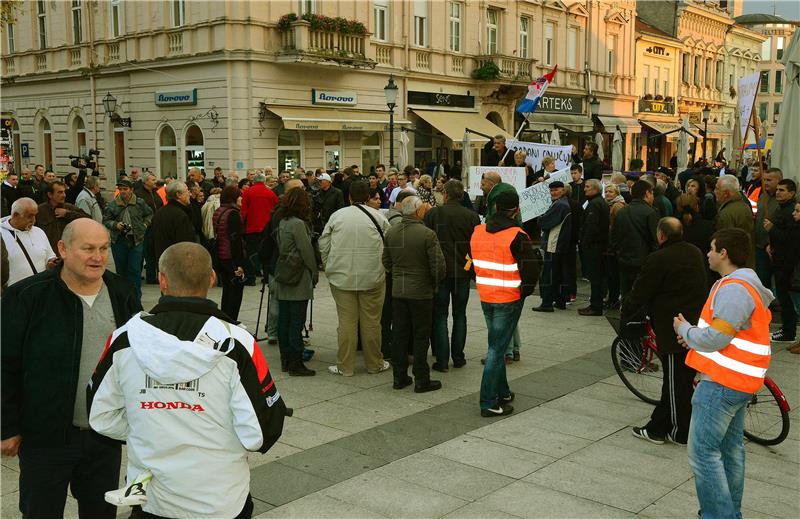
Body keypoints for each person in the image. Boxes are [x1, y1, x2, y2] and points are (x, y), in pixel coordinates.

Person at [88, 242, 287, 519]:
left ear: (161, 280)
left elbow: (100, 416)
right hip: (219, 500)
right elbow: (259, 433)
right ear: (212, 278)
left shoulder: (124, 339)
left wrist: (151, 426)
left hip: (152, 499)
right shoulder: (237, 343)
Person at [1, 219, 141, 518]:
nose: (98, 257)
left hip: (104, 437)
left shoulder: (122, 291)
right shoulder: (27, 296)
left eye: (103, 248)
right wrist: (7, 425)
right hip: (45, 436)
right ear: (63, 249)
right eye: (88, 248)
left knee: (100, 513)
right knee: (41, 512)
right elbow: (5, 363)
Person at [674, 228, 773, 519]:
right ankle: (731, 513)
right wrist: (695, 335)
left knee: (703, 454)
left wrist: (685, 330)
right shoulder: (744, 285)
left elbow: (717, 339)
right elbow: (722, 333)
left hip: (722, 383)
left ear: (724, 253)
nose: (707, 253)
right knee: (730, 452)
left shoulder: (733, 289)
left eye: (711, 248)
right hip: (739, 382)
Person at [622, 217, 708, 445]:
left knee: (675, 381)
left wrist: (627, 308)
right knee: (681, 378)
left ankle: (678, 431)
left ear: (661, 235)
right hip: (696, 321)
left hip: (673, 326)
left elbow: (641, 291)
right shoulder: (694, 251)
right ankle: (659, 426)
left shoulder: (658, 258)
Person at [471, 190, 540, 416]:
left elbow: (470, 262)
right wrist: (523, 292)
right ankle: (488, 401)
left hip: (486, 295)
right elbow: (531, 270)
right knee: (496, 349)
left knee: (496, 344)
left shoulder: (478, 231)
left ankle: (503, 391)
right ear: (516, 210)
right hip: (508, 298)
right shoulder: (518, 235)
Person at [319, 180, 390, 377]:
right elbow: (390, 245)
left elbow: (323, 243)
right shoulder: (379, 217)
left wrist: (328, 265)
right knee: (372, 322)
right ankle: (374, 363)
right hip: (373, 276)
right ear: (368, 197)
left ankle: (345, 366)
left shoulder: (337, 216)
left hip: (342, 277)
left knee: (346, 322)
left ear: (349, 196)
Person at [383, 195, 446, 393]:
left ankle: (399, 377)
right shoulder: (427, 234)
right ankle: (421, 378)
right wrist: (433, 283)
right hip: (420, 292)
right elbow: (438, 266)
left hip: (399, 290)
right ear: (418, 211)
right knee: (421, 335)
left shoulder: (392, 232)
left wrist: (398, 274)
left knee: (400, 333)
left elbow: (386, 261)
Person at [424, 180, 481, 371]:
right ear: (462, 195)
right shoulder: (472, 217)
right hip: (462, 272)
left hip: (440, 272)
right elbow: (475, 248)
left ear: (446, 195)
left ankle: (442, 360)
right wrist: (469, 267)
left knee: (439, 315)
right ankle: (458, 357)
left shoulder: (433, 213)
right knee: (460, 314)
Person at [275, 187, 318, 376]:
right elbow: (306, 251)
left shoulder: (282, 222)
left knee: (284, 320)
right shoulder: (298, 224)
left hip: (283, 273)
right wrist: (314, 272)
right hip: (298, 277)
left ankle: (285, 359)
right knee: (296, 321)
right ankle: (296, 362)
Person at [103, 179, 154, 300]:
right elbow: (106, 220)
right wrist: (116, 225)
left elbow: (149, 214)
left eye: (125, 189)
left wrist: (145, 225)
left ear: (131, 190)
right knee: (121, 271)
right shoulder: (113, 204)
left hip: (136, 240)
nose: (122, 192)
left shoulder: (139, 203)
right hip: (119, 241)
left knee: (135, 270)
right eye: (120, 189)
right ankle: (123, 298)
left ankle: (135, 298)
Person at [610, 180, 658, 298]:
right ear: (647, 193)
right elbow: (655, 240)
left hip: (624, 259)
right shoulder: (650, 212)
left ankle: (626, 313)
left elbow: (614, 236)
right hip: (644, 261)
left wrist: (619, 252)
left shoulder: (622, 211)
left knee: (626, 292)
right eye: (652, 193)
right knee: (641, 294)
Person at [764, 178, 798, 343]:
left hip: (786, 263)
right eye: (777, 190)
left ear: (791, 193)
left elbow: (791, 239)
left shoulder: (791, 211)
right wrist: (769, 245)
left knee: (785, 298)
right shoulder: (782, 208)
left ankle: (789, 331)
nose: (778, 192)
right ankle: (786, 328)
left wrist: (773, 229)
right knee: (782, 295)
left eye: (782, 190)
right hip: (778, 258)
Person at [532, 181, 571, 312]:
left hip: (554, 244)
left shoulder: (559, 205)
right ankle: (560, 301)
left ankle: (547, 303)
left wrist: (540, 218)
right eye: (552, 190)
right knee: (558, 274)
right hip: (559, 244)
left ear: (563, 190)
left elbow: (544, 222)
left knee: (549, 275)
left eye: (556, 190)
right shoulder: (563, 203)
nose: (553, 192)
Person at [0, 197, 57, 286]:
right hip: (15, 294)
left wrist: (51, 262)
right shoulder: (1, 234)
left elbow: (50, 256)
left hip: (41, 290)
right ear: (15, 215)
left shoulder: (39, 232)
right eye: (29, 216)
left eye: (35, 215)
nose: (34, 220)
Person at [213, 185, 247, 320]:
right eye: (239, 195)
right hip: (231, 257)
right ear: (233, 197)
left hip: (221, 256)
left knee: (227, 291)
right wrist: (239, 265)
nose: (241, 198)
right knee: (235, 294)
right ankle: (231, 320)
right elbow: (235, 240)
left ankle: (225, 319)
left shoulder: (219, 210)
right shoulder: (233, 213)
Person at [241, 173, 280, 283]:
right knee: (266, 251)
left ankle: (251, 277)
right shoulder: (270, 193)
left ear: (254, 181)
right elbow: (276, 208)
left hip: (252, 227)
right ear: (264, 181)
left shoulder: (248, 192)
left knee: (251, 252)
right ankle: (267, 276)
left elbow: (244, 211)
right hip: (266, 228)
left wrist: (242, 225)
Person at [578, 179, 610, 316]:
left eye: (587, 187)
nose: (585, 189)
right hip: (597, 245)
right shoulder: (597, 202)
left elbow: (592, 227)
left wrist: (584, 243)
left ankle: (596, 306)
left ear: (596, 189)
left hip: (594, 247)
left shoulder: (595, 204)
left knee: (595, 277)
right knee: (597, 277)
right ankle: (595, 304)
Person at [36, 180, 88, 256]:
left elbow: (87, 219)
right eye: (60, 192)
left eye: (64, 192)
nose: (64, 195)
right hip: (47, 255)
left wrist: (67, 214)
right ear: (50, 195)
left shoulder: (69, 208)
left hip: (68, 253)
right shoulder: (40, 210)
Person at [151, 181, 197, 263]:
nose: (189, 194)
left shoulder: (159, 212)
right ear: (178, 195)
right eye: (187, 191)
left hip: (162, 260)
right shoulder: (180, 216)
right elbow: (186, 244)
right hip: (177, 263)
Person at [676, 193, 716, 289]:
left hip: (678, 274)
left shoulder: (673, 228)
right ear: (697, 207)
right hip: (702, 273)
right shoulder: (709, 227)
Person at [753, 168, 782, 290]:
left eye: (769, 180)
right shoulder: (762, 196)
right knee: (762, 280)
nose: (765, 183)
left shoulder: (781, 200)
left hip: (774, 247)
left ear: (779, 180)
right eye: (764, 180)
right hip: (760, 246)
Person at [714, 175, 755, 257]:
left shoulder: (726, 213)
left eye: (717, 188)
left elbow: (725, 241)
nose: (715, 191)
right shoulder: (744, 204)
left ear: (726, 193)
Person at [603, 184, 627, 309]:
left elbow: (616, 227)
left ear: (617, 193)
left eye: (611, 192)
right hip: (613, 245)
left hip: (613, 246)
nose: (607, 194)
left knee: (613, 275)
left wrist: (612, 245)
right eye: (606, 191)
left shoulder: (617, 206)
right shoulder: (611, 204)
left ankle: (613, 299)